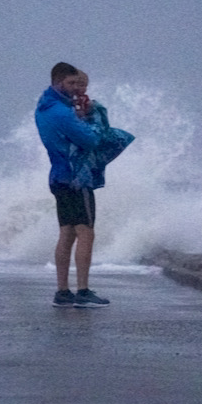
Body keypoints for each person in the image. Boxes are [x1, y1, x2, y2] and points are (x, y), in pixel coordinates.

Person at [35, 62, 117, 308]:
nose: (75, 88)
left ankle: (62, 292)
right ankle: (82, 291)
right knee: (86, 232)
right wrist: (91, 117)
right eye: (71, 83)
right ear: (59, 82)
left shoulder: (44, 107)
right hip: (76, 177)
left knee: (67, 232)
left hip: (58, 177)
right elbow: (91, 140)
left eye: (78, 83)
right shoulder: (62, 112)